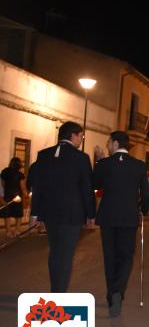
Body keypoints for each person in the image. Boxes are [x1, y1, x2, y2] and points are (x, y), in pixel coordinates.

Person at [31, 121, 95, 292]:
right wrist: (90, 215)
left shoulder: (43, 155)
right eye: (81, 136)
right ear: (72, 135)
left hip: (49, 214)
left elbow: (38, 187)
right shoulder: (81, 158)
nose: (81, 139)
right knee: (66, 255)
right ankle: (59, 294)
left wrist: (35, 214)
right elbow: (87, 189)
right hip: (72, 215)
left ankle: (55, 289)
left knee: (54, 252)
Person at [93, 131, 149, 317]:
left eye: (109, 142)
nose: (108, 145)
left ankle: (112, 295)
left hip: (108, 217)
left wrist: (100, 162)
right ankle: (118, 291)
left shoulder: (103, 164)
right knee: (126, 257)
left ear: (116, 143)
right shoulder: (139, 165)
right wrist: (144, 209)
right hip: (128, 217)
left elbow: (94, 184)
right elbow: (146, 192)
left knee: (109, 256)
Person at [1, 157, 28, 238]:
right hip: (17, 196)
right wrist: (26, 194)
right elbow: (22, 187)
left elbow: (2, 184)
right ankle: (17, 230)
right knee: (18, 214)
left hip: (7, 194)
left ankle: (8, 231)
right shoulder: (20, 174)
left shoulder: (5, 171)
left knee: (7, 213)